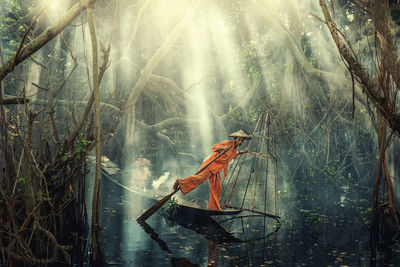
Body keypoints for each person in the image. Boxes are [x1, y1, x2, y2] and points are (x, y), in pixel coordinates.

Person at [173, 130, 252, 210]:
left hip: (216, 169)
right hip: (211, 165)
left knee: (217, 187)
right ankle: (180, 182)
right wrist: (222, 147)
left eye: (242, 140)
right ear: (235, 139)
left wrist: (242, 152)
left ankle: (214, 207)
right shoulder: (228, 143)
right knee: (199, 179)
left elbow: (234, 155)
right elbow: (214, 147)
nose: (240, 142)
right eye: (239, 140)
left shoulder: (235, 148)